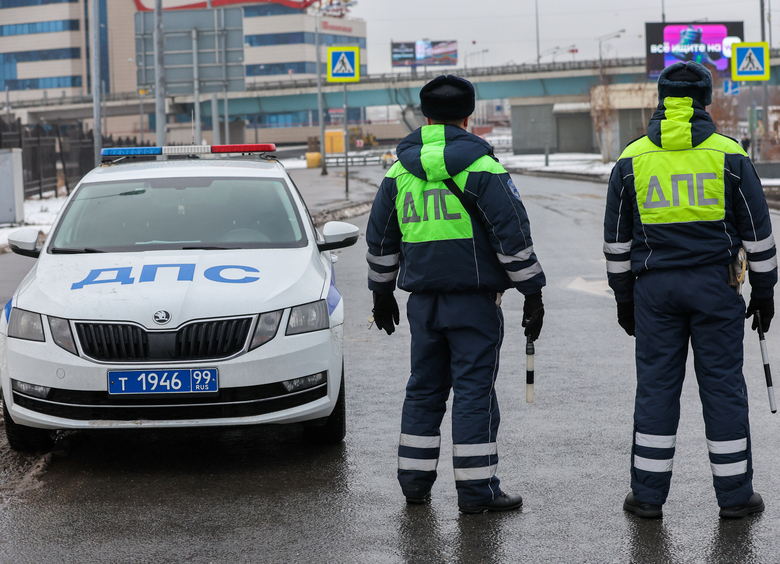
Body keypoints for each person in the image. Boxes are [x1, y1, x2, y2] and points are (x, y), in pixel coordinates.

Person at [603, 61, 777, 520]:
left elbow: (616, 243)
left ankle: (647, 498)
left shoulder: (631, 160)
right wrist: (764, 291)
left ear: (661, 101)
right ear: (706, 101)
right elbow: (758, 233)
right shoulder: (729, 156)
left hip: (654, 291)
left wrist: (624, 297)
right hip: (715, 288)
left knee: (657, 388)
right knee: (722, 387)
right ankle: (736, 498)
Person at [365, 75, 546, 514]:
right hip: (474, 303)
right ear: (469, 116)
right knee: (473, 394)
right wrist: (532, 292)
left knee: (423, 390)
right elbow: (513, 238)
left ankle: (414, 486)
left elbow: (381, 240)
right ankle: (477, 493)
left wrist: (381, 293)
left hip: (423, 305)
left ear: (425, 117)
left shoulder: (397, 172)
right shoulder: (483, 169)